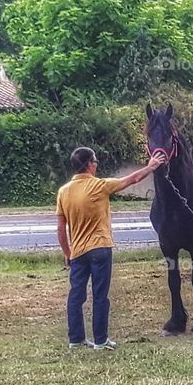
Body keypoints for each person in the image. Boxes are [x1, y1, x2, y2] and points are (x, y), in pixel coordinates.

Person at [56, 147, 165, 350]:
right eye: (95, 161)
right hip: (100, 248)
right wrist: (150, 166)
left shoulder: (63, 192)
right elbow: (131, 180)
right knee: (100, 295)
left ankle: (76, 339)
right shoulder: (99, 186)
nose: (96, 164)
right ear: (89, 164)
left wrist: (66, 252)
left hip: (77, 252)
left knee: (76, 296)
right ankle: (100, 340)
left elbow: (61, 227)